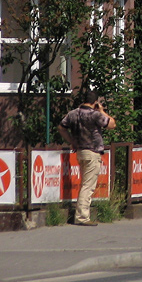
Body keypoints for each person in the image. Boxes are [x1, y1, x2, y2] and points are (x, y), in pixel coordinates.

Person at [58, 91, 115, 226]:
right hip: (93, 151)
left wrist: (71, 141)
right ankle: (82, 217)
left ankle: (82, 215)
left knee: (85, 183)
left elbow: (61, 127)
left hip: (80, 151)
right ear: (95, 102)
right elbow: (112, 124)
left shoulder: (73, 114)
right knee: (87, 186)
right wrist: (102, 111)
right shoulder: (95, 115)